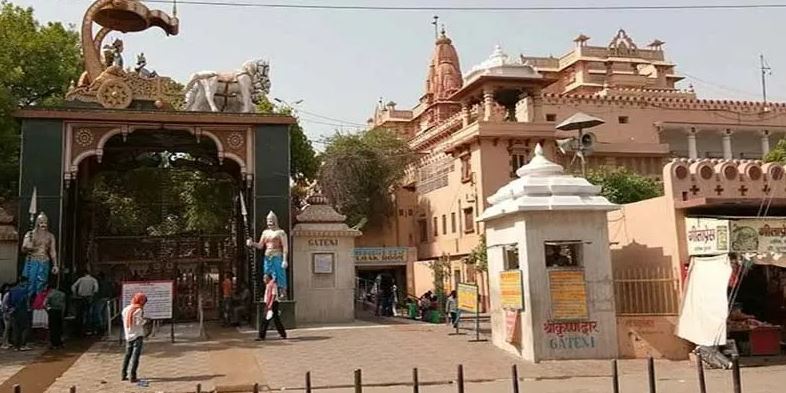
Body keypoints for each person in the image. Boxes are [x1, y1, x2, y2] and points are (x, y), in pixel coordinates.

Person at [247, 211, 288, 298]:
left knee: (280, 274)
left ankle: (282, 292)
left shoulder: (281, 232)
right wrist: (252, 243)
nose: (269, 222)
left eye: (271, 220)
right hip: (267, 257)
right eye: (268, 220)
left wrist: (284, 260)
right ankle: (269, 291)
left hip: (277, 255)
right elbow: (260, 245)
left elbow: (285, 247)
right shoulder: (265, 232)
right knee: (266, 275)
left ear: (275, 220)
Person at [21, 212, 58, 297]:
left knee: (42, 283)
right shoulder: (30, 234)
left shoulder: (50, 236)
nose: (43, 224)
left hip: (44, 261)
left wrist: (55, 265)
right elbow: (23, 249)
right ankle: (27, 303)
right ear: (37, 222)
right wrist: (28, 247)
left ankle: (39, 303)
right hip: (32, 260)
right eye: (41, 222)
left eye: (45, 222)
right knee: (30, 282)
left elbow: (52, 251)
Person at [121, 293, 147, 383]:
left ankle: (123, 374)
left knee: (127, 355)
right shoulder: (138, 310)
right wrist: (145, 321)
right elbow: (138, 323)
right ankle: (133, 376)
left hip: (128, 335)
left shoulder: (125, 309)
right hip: (137, 335)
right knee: (135, 356)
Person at [256, 274, 286, 341]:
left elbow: (273, 295)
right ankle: (283, 334)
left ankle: (261, 336)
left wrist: (270, 305)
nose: (264, 280)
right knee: (276, 319)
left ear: (269, 278)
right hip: (269, 304)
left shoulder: (273, 284)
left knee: (265, 320)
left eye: (265, 278)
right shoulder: (268, 285)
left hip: (272, 304)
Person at [7, 277, 32, 351]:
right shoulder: (24, 291)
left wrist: (11, 309)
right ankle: (22, 345)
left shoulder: (11, 290)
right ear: (22, 282)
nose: (26, 284)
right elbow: (25, 301)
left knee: (16, 329)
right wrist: (28, 308)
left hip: (14, 311)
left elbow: (9, 301)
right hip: (22, 311)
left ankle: (16, 346)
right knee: (24, 328)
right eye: (26, 282)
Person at [71, 271, 99, 336]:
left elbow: (73, 286)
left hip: (81, 297)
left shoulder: (80, 279)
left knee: (81, 313)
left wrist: (75, 293)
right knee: (90, 313)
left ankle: (80, 329)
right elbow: (96, 289)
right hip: (90, 297)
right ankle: (89, 329)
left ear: (84, 274)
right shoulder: (93, 279)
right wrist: (93, 294)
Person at [44, 281, 65, 349]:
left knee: (53, 328)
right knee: (59, 328)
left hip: (52, 311)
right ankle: (59, 342)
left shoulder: (50, 294)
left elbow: (44, 304)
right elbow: (63, 305)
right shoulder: (62, 294)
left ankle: (54, 343)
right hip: (59, 311)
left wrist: (48, 310)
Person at [1, 283, 12, 349]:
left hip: (8, 312)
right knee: (6, 329)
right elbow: (3, 305)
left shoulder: (9, 294)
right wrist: (5, 313)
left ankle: (6, 342)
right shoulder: (7, 295)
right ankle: (3, 343)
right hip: (6, 313)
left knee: (8, 328)